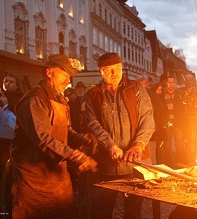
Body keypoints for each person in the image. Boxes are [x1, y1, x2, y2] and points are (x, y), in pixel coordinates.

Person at [10, 54, 97, 219]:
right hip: (33, 182)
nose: (68, 80)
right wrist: (76, 156)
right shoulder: (34, 100)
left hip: (58, 177)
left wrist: (81, 138)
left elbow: (65, 131)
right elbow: (43, 139)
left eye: (69, 76)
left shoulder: (60, 100)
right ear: (49, 72)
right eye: (64, 74)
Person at [80, 52, 155, 219]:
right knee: (102, 210)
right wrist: (110, 145)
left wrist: (138, 145)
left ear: (121, 68)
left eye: (117, 69)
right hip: (107, 166)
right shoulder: (93, 95)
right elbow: (93, 124)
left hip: (136, 165)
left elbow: (147, 119)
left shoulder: (136, 89)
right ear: (100, 71)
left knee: (133, 212)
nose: (114, 74)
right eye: (108, 70)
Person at [0, 73, 24, 214]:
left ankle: (10, 212)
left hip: (10, 149)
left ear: (17, 84)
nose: (7, 84)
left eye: (11, 82)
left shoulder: (21, 99)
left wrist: (7, 104)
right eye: (5, 81)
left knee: (11, 185)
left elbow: (18, 120)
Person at [162, 76, 187, 168]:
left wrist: (181, 121)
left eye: (173, 82)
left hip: (177, 123)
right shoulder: (163, 95)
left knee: (179, 144)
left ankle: (179, 163)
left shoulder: (179, 94)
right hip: (167, 123)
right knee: (167, 145)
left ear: (175, 83)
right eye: (169, 82)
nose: (171, 84)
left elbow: (182, 110)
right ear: (167, 83)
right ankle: (168, 165)